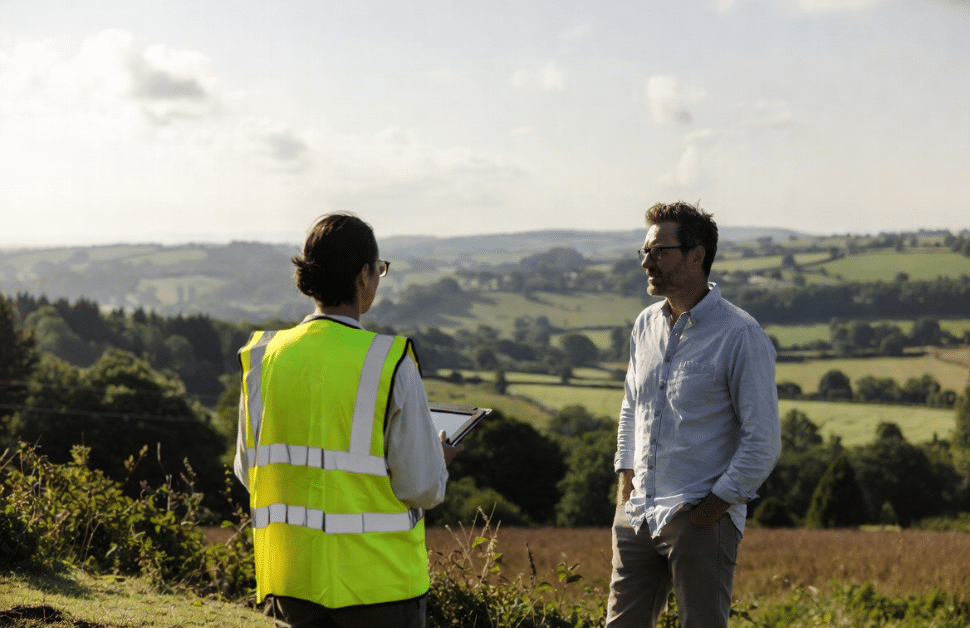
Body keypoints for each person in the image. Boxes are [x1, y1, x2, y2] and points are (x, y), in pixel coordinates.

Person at [234, 212, 462, 628]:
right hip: (381, 591)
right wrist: (438, 459)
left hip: (289, 584)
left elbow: (250, 471)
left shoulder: (262, 357)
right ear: (363, 276)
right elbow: (422, 487)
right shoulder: (391, 361)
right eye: (379, 269)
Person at [606, 201, 781, 628]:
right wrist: (625, 488)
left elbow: (762, 441)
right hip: (637, 513)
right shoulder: (645, 325)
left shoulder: (740, 335)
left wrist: (709, 511)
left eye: (658, 252)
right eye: (645, 251)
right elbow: (631, 407)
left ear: (696, 256)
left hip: (699, 518)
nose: (646, 262)